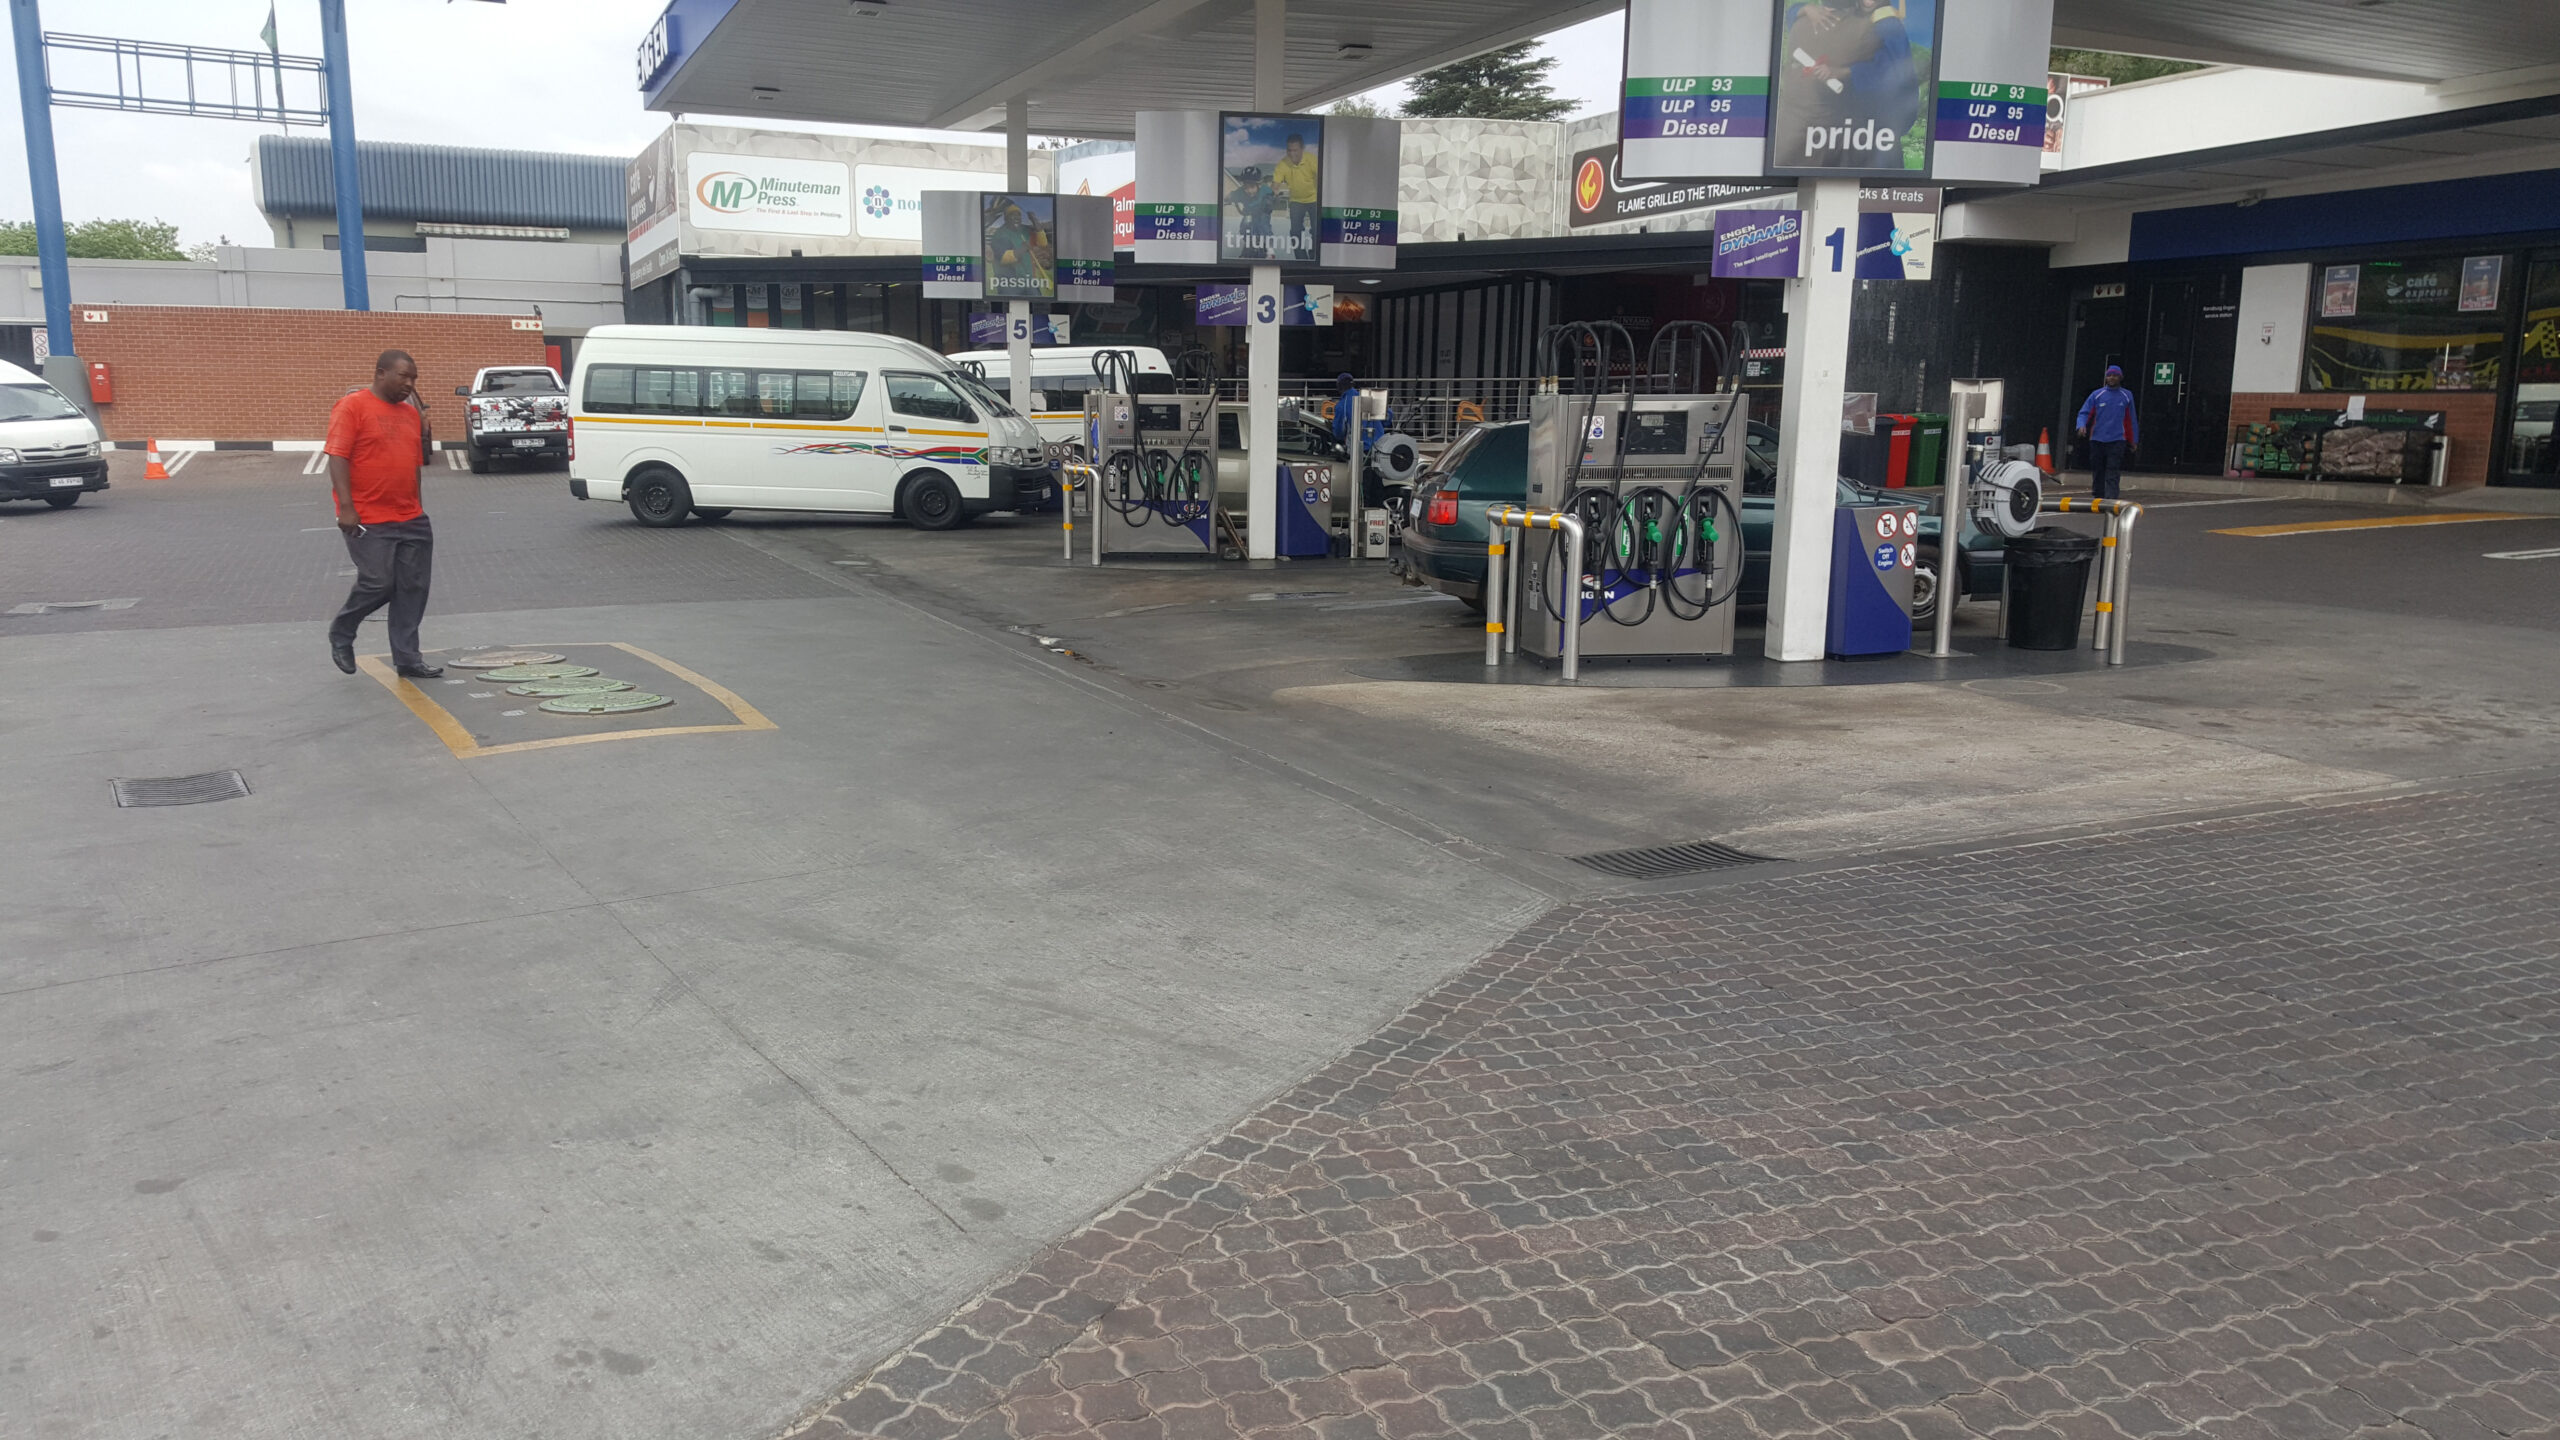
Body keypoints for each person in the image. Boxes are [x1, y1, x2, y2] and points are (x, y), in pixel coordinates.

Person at [326, 349, 441, 678]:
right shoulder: (353, 406)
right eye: (403, 376)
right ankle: (342, 631)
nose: (409, 384)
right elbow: (337, 456)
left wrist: (417, 506)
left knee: (413, 588)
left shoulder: (409, 414)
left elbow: (413, 464)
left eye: (414, 378)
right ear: (380, 373)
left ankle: (407, 659)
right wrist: (346, 508)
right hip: (367, 517)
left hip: (410, 516)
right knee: (379, 582)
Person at [2076, 364, 2140, 501]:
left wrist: (2133, 440)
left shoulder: (2127, 396)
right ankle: (2098, 494)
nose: (2112, 378)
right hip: (2097, 438)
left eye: (2115, 375)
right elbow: (2084, 412)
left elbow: (2131, 419)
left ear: (2120, 378)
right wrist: (2081, 426)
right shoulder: (2097, 395)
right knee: (2097, 469)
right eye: (2109, 375)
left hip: (2117, 439)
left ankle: (2111, 497)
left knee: (2113, 469)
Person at [1271, 133, 1320, 261]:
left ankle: (1314, 256)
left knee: (1316, 230)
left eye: (1295, 150)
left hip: (1314, 199)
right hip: (1296, 201)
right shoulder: (1283, 163)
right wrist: (1274, 190)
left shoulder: (1312, 160)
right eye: (1289, 150)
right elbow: (1276, 183)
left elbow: (1323, 178)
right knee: (1295, 232)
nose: (1292, 154)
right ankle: (1301, 259)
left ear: (1302, 149)